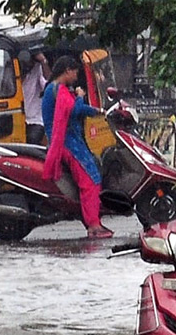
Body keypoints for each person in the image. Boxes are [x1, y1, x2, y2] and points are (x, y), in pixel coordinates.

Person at [41, 54, 112, 238]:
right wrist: (80, 97)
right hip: (67, 143)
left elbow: (74, 110)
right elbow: (75, 109)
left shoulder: (56, 89)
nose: (76, 76)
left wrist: (99, 111)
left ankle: (93, 220)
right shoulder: (57, 89)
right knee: (90, 180)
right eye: (75, 72)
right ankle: (93, 226)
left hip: (70, 141)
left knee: (93, 174)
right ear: (68, 71)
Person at [22, 51, 49, 144]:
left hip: (35, 120)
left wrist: (43, 61)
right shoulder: (11, 73)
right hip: (18, 120)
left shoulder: (37, 70)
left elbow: (48, 84)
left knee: (32, 141)